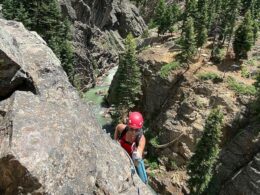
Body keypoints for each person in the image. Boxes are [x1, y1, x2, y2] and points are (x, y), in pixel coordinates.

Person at [114, 111, 148, 183]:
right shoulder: (123, 129)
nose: (134, 132)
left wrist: (137, 156)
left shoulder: (141, 138)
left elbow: (139, 152)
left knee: (143, 180)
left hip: (133, 159)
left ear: (140, 129)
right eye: (132, 129)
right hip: (122, 154)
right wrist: (115, 140)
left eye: (137, 130)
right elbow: (117, 127)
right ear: (128, 126)